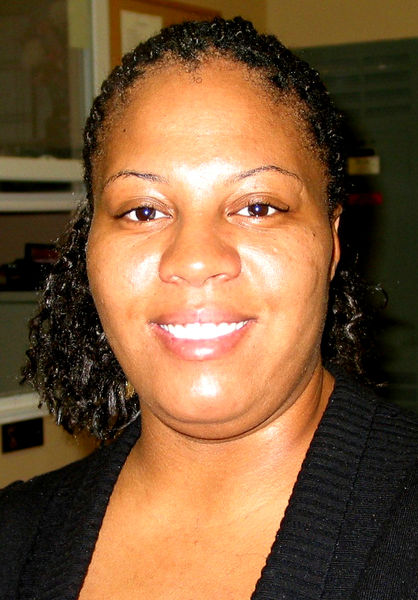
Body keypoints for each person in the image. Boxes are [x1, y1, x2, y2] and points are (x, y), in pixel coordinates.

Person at [0, 17, 417, 600]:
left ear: (332, 241)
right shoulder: (14, 543)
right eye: (143, 211)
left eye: (258, 207)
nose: (194, 260)